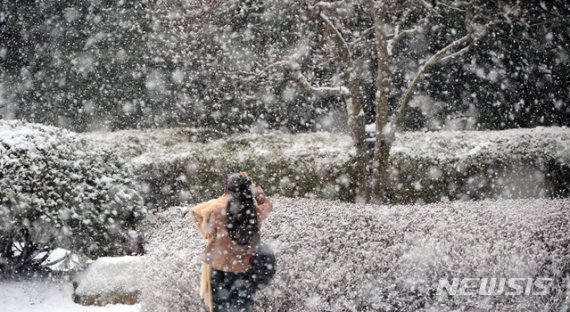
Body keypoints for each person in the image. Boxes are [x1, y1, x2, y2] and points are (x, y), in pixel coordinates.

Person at [190, 172, 272, 312]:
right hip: (244, 270)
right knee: (243, 308)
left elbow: (207, 230)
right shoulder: (255, 213)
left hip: (219, 269)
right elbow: (267, 204)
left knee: (220, 309)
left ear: (228, 191)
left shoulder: (218, 211)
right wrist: (254, 188)